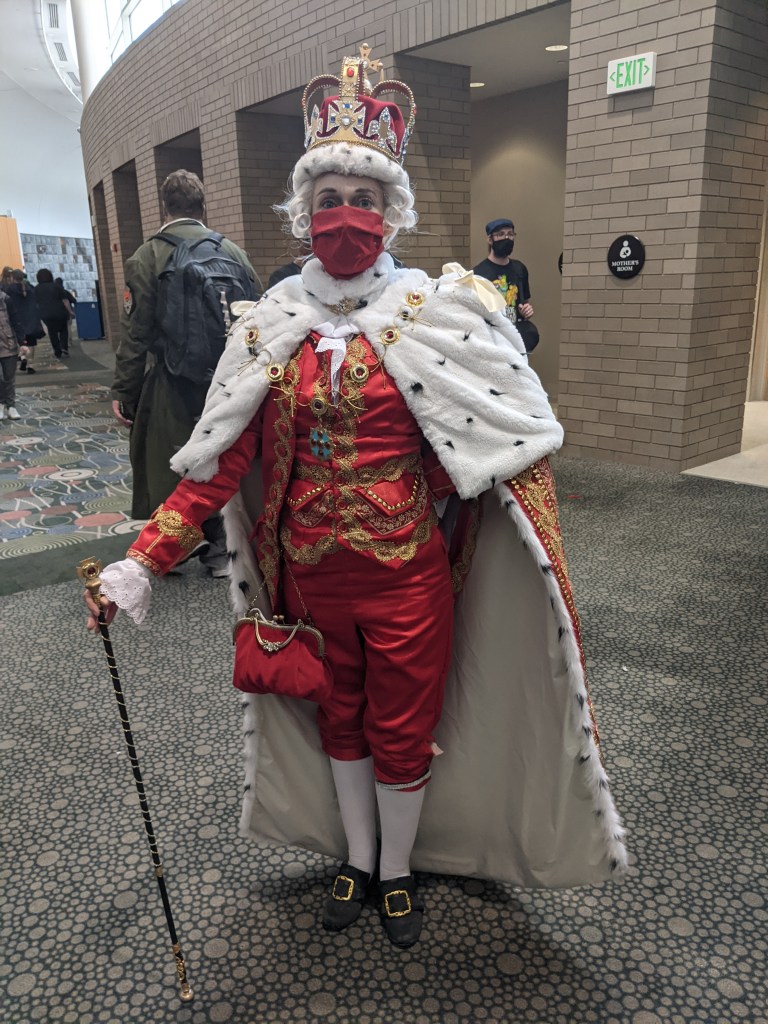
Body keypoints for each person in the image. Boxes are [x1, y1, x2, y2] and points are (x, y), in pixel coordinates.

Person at [84, 47, 626, 949]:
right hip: (309, 579)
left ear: (391, 210)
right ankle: (359, 858)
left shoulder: (438, 313)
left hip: (410, 575)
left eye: (364, 198)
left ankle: (399, 869)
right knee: (338, 719)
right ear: (305, 212)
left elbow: (496, 439)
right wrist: (142, 562)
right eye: (329, 197)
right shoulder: (271, 325)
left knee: (403, 727)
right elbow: (218, 462)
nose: (346, 215)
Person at [110, 169, 260, 577]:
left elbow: (136, 333)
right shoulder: (234, 253)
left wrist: (125, 391)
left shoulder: (148, 257)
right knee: (224, 454)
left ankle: (172, 548)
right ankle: (222, 548)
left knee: (167, 459)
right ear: (202, 206)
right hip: (230, 381)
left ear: (165, 207)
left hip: (173, 381)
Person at [473, 218, 539, 351]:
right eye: (501, 234)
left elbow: (525, 302)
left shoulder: (519, 269)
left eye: (510, 234)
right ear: (490, 239)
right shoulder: (479, 273)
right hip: (492, 341)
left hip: (515, 339)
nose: (506, 238)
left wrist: (527, 311)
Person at [5, 270, 44, 373]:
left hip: (17, 319)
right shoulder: (30, 288)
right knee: (31, 343)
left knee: (20, 341)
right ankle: (30, 365)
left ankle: (23, 357)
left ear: (12, 278)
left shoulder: (9, 290)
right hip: (31, 319)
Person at [35, 269, 74, 359]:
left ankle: (57, 351)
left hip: (46, 314)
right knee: (63, 330)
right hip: (60, 312)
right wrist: (70, 311)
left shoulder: (36, 288)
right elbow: (65, 300)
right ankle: (64, 347)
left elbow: (36, 303)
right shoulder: (56, 286)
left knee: (52, 332)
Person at [0, 285, 23, 420]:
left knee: (9, 378)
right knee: (0, 378)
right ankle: (1, 403)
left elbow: (16, 321)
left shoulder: (6, 299)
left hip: (8, 344)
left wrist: (23, 342)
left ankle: (11, 406)